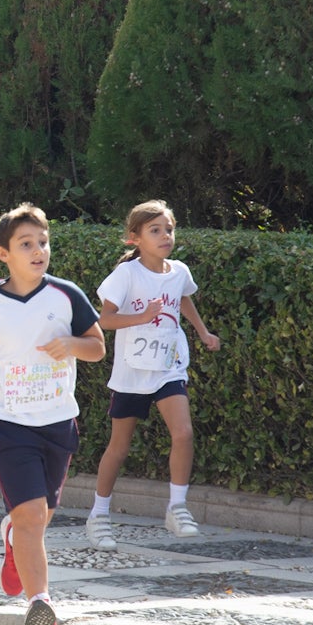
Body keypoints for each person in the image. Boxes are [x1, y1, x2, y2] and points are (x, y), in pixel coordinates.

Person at [0, 203, 105, 625]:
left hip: (57, 421)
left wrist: (73, 344)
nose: (39, 250)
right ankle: (40, 605)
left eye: (43, 242)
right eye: (26, 244)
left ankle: (13, 537)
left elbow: (97, 348)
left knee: (40, 517)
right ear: (4, 254)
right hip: (7, 419)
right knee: (32, 515)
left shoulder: (66, 294)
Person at [86, 200, 222, 551]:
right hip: (132, 371)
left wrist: (203, 332)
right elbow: (104, 320)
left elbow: (184, 299)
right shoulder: (126, 275)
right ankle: (99, 515)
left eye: (169, 229)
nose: (165, 236)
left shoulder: (179, 271)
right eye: (155, 230)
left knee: (184, 433)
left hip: (169, 367)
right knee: (119, 447)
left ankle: (177, 507)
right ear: (135, 238)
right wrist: (142, 317)